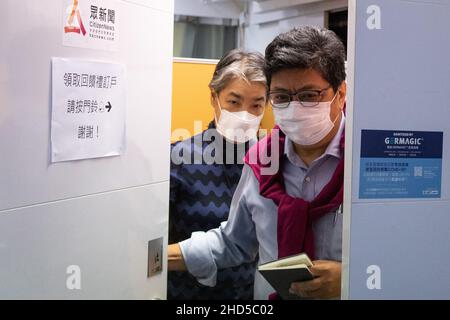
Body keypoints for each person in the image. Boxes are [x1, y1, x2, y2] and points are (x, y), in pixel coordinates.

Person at [168, 26, 347, 300]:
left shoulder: (368, 164)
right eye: (282, 97)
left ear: (340, 93)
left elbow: (412, 250)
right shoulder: (261, 162)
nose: (295, 108)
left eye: (310, 95)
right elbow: (233, 241)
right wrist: (153, 258)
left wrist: (353, 276)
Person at [168, 49, 268, 299]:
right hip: (187, 295)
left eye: (256, 105)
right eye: (234, 102)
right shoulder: (178, 158)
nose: (245, 115)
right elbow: (151, 244)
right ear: (214, 98)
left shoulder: (272, 161)